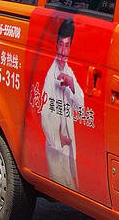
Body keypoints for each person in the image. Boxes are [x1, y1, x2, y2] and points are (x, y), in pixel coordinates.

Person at [41, 18, 84, 190]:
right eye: (60, 44)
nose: (63, 50)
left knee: (72, 186)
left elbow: (80, 105)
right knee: (61, 186)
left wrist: (72, 84)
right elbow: (44, 115)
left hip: (68, 146)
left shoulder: (68, 71)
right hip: (56, 146)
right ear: (55, 45)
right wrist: (59, 139)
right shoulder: (50, 74)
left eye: (67, 46)